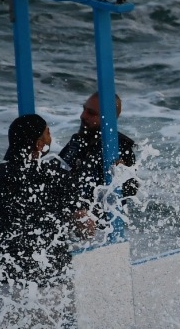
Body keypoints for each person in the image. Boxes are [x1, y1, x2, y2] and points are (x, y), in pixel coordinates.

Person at [0, 113, 82, 317]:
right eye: (47, 132)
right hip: (50, 286)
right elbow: (85, 229)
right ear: (39, 145)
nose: (50, 136)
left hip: (2, 287)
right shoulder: (59, 180)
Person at [59, 92, 139, 233]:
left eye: (91, 113)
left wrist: (123, 175)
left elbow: (130, 190)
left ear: (108, 119)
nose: (83, 116)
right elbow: (56, 173)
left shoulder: (119, 148)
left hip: (98, 231)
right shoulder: (77, 141)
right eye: (84, 109)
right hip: (68, 219)